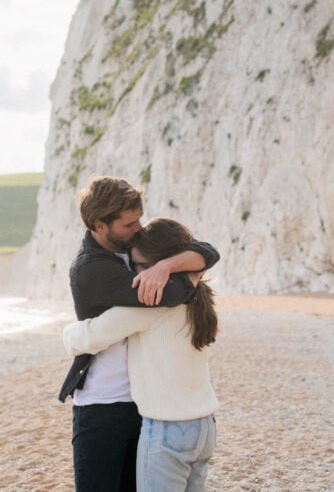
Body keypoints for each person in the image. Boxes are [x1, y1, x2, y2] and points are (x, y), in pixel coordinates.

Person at [59, 176, 220, 492]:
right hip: (102, 405)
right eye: (129, 224)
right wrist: (186, 271)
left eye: (139, 220)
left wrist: (168, 265)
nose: (139, 229)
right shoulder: (92, 268)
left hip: (145, 406)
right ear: (99, 225)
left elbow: (208, 251)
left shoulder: (137, 249)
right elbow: (169, 295)